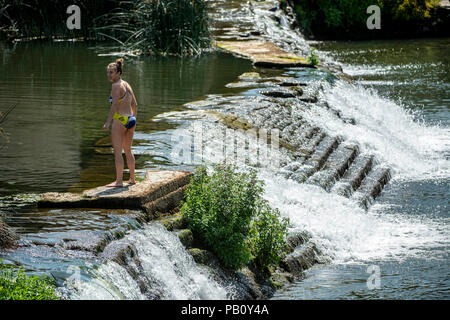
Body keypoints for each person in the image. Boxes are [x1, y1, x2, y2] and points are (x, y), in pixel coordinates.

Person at [103, 58, 138, 187]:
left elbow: (113, 107)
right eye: (108, 72)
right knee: (128, 150)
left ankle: (119, 181)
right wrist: (133, 120)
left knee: (117, 152)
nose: (109, 75)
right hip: (130, 119)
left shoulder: (116, 86)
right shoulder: (127, 84)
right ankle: (132, 179)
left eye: (111, 72)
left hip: (120, 120)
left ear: (118, 73)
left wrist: (107, 122)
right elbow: (135, 104)